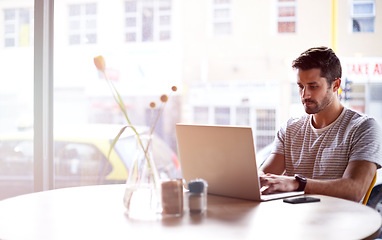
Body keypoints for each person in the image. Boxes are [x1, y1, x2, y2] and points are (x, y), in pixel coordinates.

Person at [259, 46, 382, 202]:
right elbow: (264, 177)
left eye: (313, 86)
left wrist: (297, 183)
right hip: (292, 220)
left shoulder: (363, 128)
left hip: (338, 223)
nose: (305, 95)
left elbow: (355, 190)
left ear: (336, 85)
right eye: (300, 86)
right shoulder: (290, 129)